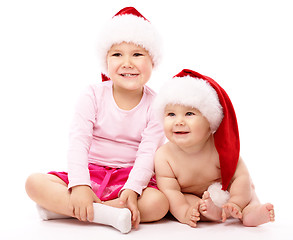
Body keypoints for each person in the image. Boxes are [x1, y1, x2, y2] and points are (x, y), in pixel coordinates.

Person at [25, 7, 169, 234]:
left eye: (137, 54)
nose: (127, 63)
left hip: (129, 176)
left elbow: (148, 152)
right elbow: (78, 142)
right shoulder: (92, 94)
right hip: (91, 173)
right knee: (34, 182)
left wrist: (132, 189)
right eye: (117, 54)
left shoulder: (157, 104)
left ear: (154, 61)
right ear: (106, 61)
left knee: (158, 204)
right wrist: (80, 184)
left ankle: (67, 210)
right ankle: (107, 214)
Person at [154, 69, 275, 227]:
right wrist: (184, 212)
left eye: (189, 114)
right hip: (192, 195)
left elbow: (241, 175)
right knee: (194, 204)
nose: (179, 121)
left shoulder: (220, 147)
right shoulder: (164, 156)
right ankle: (212, 212)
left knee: (248, 190)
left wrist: (235, 202)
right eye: (171, 114)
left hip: (228, 190)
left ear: (210, 121)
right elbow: (170, 191)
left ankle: (250, 212)